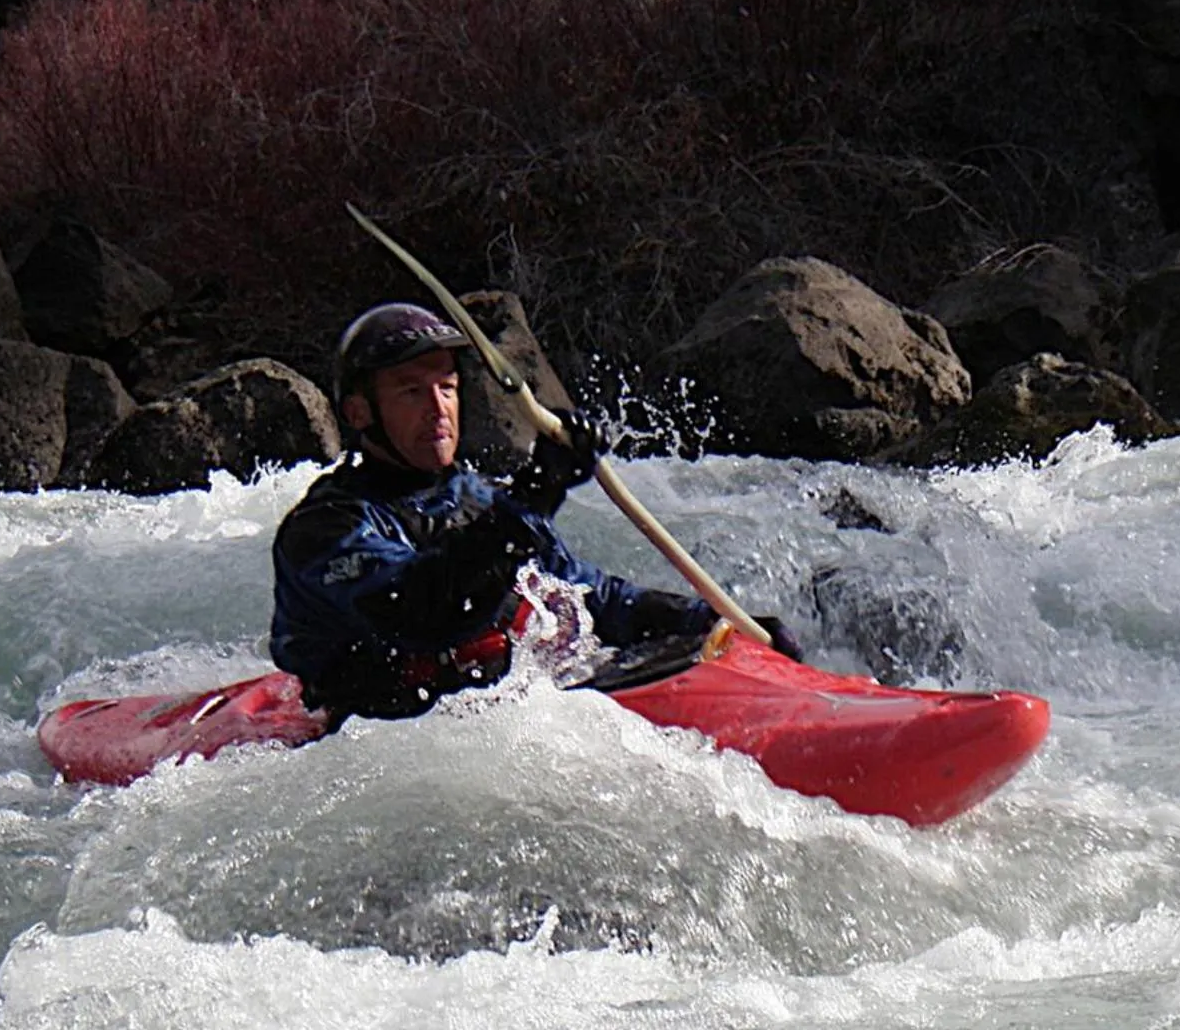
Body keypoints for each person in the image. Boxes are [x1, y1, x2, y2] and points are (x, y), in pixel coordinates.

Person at [271, 302, 800, 721]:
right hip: (383, 737)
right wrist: (537, 494)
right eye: (412, 392)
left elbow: (586, 598)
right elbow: (425, 611)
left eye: (447, 388)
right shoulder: (326, 528)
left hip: (503, 715)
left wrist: (712, 624)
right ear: (361, 412)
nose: (438, 408)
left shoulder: (476, 498)